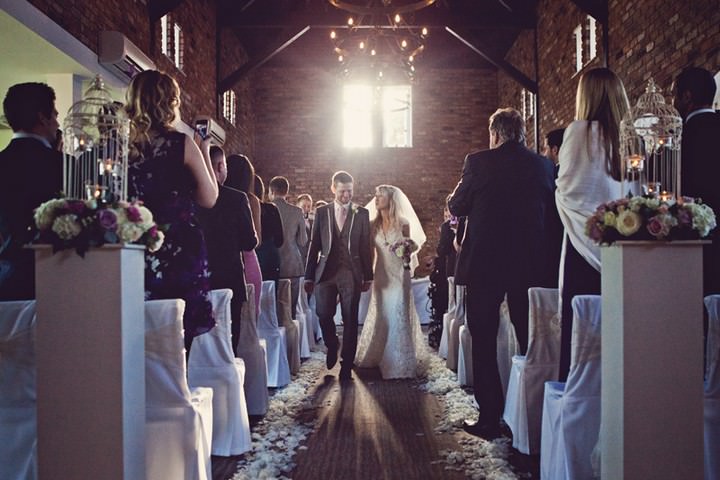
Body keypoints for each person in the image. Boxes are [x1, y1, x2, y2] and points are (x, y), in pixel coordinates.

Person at [448, 107, 554, 439]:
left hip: (485, 264)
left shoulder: (478, 162)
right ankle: (531, 419)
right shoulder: (542, 165)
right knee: (529, 339)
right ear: (522, 133)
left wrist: (459, 192)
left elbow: (457, 206)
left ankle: (490, 418)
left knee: (483, 338)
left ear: (495, 133)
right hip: (528, 263)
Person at [125, 70, 219, 352]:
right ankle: (174, 390)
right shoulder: (181, 143)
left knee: (134, 333)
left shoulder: (122, 146)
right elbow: (209, 197)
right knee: (176, 338)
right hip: (178, 248)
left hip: (132, 246)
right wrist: (204, 150)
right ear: (170, 102)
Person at [555, 67, 629, 381]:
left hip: (582, 245)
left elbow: (568, 187)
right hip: (622, 245)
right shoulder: (629, 136)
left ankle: (578, 393)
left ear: (586, 97)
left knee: (581, 331)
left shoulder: (579, 132)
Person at [304, 171, 373, 381]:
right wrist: (309, 276)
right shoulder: (322, 212)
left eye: (350, 191)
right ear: (333, 188)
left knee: (350, 318)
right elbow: (314, 245)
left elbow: (365, 246)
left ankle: (346, 364)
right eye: (342, 191)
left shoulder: (360, 213)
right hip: (325, 272)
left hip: (351, 273)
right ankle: (332, 343)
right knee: (323, 313)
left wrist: (368, 275)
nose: (346, 196)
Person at [355, 185, 428, 378]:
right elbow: (370, 254)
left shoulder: (403, 223)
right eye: (376, 195)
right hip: (381, 275)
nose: (376, 198)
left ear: (391, 200)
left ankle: (400, 359)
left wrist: (407, 247)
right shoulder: (372, 225)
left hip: (400, 273)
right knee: (383, 313)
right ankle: (378, 354)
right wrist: (367, 276)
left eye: (381, 195)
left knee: (399, 311)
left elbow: (410, 247)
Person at [0, 82, 63, 300]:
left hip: (6, 278)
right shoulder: (65, 165)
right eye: (54, 115)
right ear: (42, 117)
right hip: (58, 275)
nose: (57, 123)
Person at [198, 146, 258, 352]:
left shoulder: (190, 197)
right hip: (229, 277)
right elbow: (249, 242)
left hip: (198, 277)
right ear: (221, 166)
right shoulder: (237, 198)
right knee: (229, 343)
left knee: (198, 344)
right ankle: (229, 380)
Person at [673, 66, 720, 296]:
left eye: (675, 95)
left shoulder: (679, 139)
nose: (674, 102)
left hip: (696, 244)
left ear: (687, 96)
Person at [225, 154, 263, 318]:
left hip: (222, 259)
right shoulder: (251, 200)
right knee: (249, 318)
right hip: (248, 260)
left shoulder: (215, 196)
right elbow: (257, 241)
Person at [268, 176, 307, 319]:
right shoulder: (297, 212)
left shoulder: (264, 209)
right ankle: (292, 341)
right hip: (292, 265)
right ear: (287, 191)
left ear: (271, 191)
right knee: (290, 315)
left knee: (272, 313)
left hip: (271, 264)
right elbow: (303, 241)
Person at [541, 128, 565, 288]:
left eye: (545, 148)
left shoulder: (553, 174)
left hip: (553, 237)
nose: (544, 153)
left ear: (554, 149)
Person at [254, 174, 284, 284]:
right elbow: (280, 240)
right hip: (270, 257)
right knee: (270, 295)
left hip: (251, 257)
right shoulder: (271, 209)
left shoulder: (240, 206)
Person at [296, 193, 313, 264]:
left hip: (311, 257)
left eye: (309, 206)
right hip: (299, 257)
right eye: (303, 206)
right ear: (297, 206)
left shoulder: (313, 221)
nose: (306, 209)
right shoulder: (294, 221)